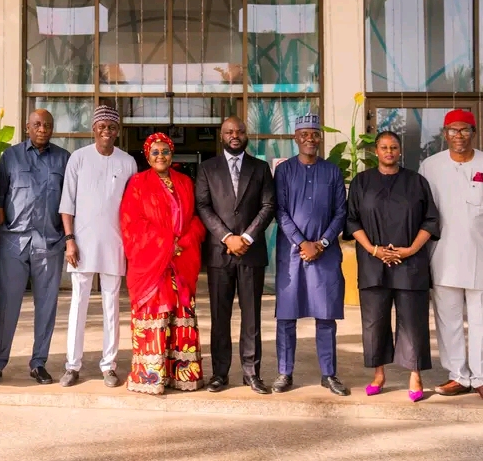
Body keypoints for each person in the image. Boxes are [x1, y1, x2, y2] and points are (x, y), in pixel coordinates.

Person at [419, 109, 483, 403]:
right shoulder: (430, 166)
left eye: (464, 130)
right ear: (444, 134)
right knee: (447, 320)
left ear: (474, 133)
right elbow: (420, 211)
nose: (458, 135)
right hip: (442, 256)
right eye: (453, 130)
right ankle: (458, 376)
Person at [346, 131, 440, 402]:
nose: (389, 151)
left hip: (410, 263)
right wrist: (373, 250)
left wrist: (410, 250)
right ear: (376, 151)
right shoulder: (362, 182)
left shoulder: (416, 182)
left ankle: (415, 374)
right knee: (374, 322)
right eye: (384, 147)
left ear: (400, 151)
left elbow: (431, 220)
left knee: (413, 321)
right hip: (373, 263)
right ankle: (379, 374)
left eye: (394, 147)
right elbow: (352, 220)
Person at [0, 109, 70, 386]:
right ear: (27, 127)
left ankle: (38, 363)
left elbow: (69, 201)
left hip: (49, 243)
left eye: (47, 125)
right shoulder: (11, 156)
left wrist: (66, 237)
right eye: (37, 124)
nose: (42, 129)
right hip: (14, 242)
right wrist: (3, 230)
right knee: (7, 305)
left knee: (46, 306)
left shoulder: (63, 158)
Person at [120, 132, 206, 394]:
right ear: (147, 156)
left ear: (172, 154)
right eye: (155, 152)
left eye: (165, 151)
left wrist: (184, 242)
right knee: (154, 316)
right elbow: (132, 222)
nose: (160, 156)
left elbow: (195, 219)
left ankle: (182, 375)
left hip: (181, 261)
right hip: (152, 264)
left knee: (180, 316)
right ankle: (151, 377)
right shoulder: (137, 183)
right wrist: (167, 243)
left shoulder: (185, 182)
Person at [195, 116, 276, 394]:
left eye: (240, 131)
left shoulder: (261, 168)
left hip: (251, 252)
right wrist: (227, 237)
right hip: (220, 253)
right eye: (229, 131)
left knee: (251, 316)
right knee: (220, 316)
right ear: (221, 136)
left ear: (246, 135)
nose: (235, 135)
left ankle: (251, 373)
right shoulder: (207, 168)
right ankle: (220, 373)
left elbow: (268, 205)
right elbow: (203, 206)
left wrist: (247, 237)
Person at [58, 105, 137, 388]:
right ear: (94, 129)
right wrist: (69, 240)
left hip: (115, 244)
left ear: (118, 131)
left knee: (111, 306)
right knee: (78, 304)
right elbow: (67, 203)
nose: (106, 131)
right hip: (81, 243)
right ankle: (72, 365)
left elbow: (132, 207)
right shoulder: (79, 158)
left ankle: (109, 366)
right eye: (102, 126)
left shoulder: (128, 162)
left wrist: (131, 245)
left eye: (111, 127)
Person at [273, 113, 349, 396]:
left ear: (320, 138)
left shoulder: (332, 171)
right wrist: (302, 243)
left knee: (326, 316)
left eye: (315, 134)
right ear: (296, 137)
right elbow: (280, 210)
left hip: (325, 255)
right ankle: (285, 372)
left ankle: (329, 374)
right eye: (304, 134)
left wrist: (322, 243)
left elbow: (341, 212)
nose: (310, 139)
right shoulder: (284, 171)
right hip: (291, 255)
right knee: (286, 317)